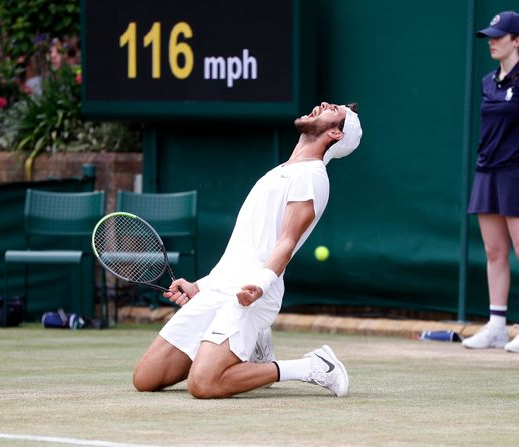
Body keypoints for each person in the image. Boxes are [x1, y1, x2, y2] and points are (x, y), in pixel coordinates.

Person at [133, 101, 362, 398]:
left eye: (334, 110)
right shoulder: (280, 171)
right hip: (221, 286)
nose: (323, 104)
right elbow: (247, 244)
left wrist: (260, 285)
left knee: (203, 385)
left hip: (252, 294)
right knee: (146, 378)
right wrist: (200, 287)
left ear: (335, 133)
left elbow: (286, 242)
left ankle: (312, 366)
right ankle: (254, 345)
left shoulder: (311, 176)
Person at [462, 11, 519, 353]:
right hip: (486, 170)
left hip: (518, 171)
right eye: (490, 35)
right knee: (494, 250)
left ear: (518, 41)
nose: (492, 41)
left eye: (499, 36)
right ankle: (497, 326)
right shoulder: (488, 82)